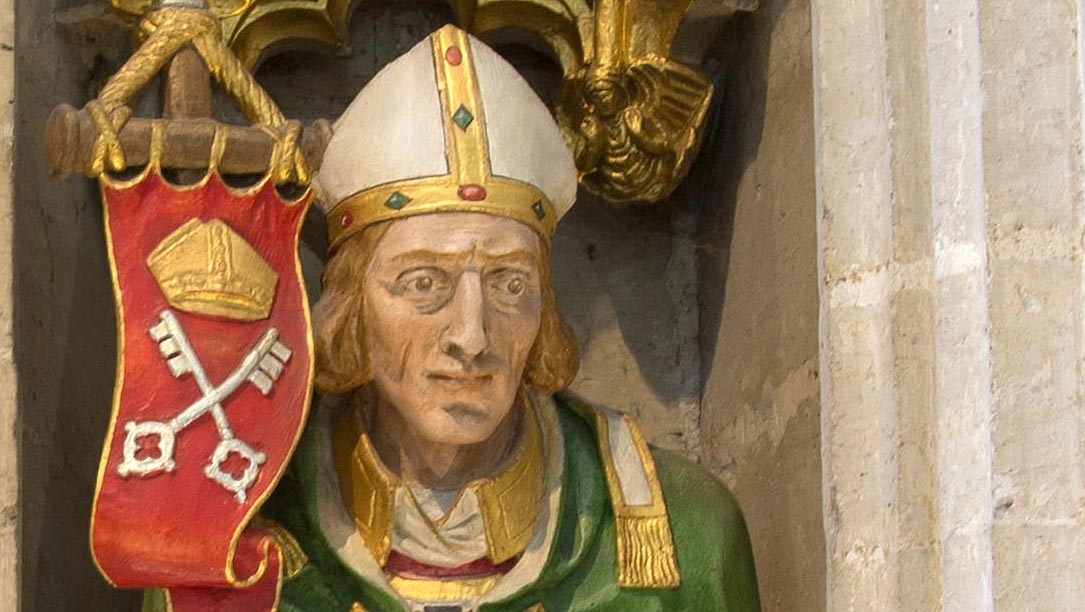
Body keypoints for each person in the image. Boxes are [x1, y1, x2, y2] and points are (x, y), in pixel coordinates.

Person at [145, 24, 759, 612]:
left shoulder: (683, 532)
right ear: (353, 306)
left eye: (509, 283)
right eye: (423, 283)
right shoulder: (232, 531)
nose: (471, 335)